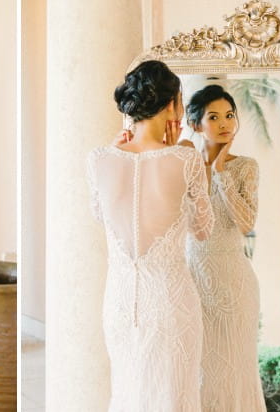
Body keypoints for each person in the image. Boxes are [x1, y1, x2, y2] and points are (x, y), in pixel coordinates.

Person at [87, 60, 214, 412]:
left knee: (127, 394)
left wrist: (118, 149)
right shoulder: (185, 159)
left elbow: (101, 216)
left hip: (120, 303)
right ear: (173, 104)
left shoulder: (99, 159)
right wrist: (185, 156)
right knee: (173, 398)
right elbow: (204, 230)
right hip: (172, 304)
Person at [182, 84, 266, 411]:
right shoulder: (184, 166)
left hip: (234, 282)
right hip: (193, 280)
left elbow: (246, 223)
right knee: (199, 370)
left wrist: (220, 174)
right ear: (195, 124)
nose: (224, 123)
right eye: (213, 116)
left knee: (235, 370)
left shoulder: (246, 167)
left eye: (229, 115)